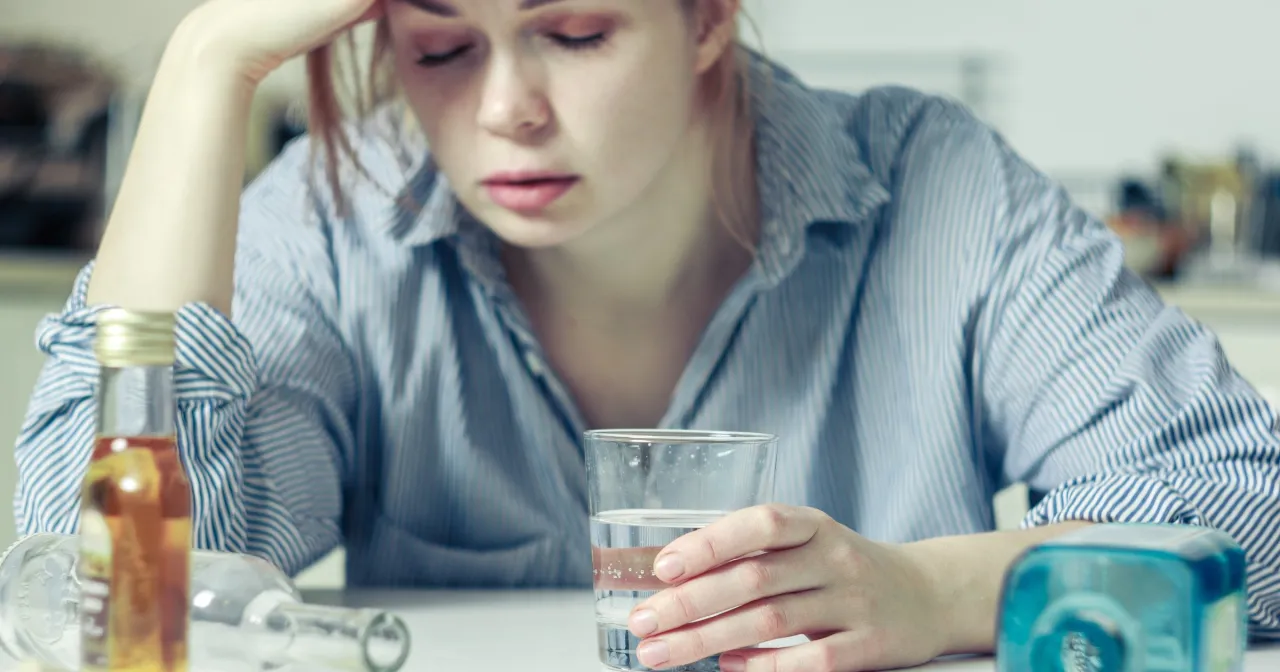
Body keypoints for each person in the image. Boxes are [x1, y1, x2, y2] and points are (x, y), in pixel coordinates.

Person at [12, 0, 1280, 670]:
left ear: (709, 15)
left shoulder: (936, 187)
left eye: (573, 34)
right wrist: (202, 69)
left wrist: (936, 593)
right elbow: (120, 593)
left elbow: (1246, 514)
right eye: (442, 47)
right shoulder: (331, 225)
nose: (505, 108)